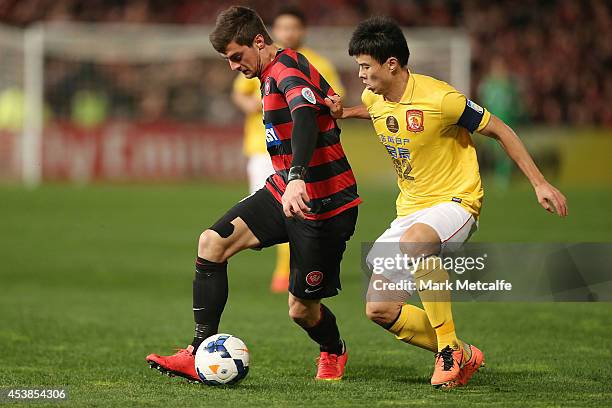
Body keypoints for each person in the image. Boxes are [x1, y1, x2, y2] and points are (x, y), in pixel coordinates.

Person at [324, 16, 568, 388]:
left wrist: (539, 183)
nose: (359, 74)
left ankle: (448, 354)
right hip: (410, 208)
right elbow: (377, 112)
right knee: (380, 308)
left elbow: (500, 129)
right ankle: (461, 352)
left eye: (364, 66)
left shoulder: (443, 99)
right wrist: (346, 113)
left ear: (392, 64)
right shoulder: (375, 96)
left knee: (416, 241)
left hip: (456, 201)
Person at [146, 6, 360, 382]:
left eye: (236, 56)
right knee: (212, 243)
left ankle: (332, 349)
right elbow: (326, 104)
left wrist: (297, 175)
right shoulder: (276, 68)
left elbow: (307, 117)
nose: (233, 66)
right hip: (282, 192)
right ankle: (198, 352)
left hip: (325, 204)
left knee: (301, 310)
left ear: (258, 42)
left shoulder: (287, 70)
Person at [231, 5, 345, 293]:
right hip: (261, 147)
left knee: (293, 210)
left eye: (293, 28)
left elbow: (331, 99)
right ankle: (296, 269)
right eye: (282, 28)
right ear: (272, 32)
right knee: (279, 210)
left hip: (300, 150)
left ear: (303, 30)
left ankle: (290, 271)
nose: (288, 33)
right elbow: (240, 94)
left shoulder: (313, 62)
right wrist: (254, 105)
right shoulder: (256, 62)